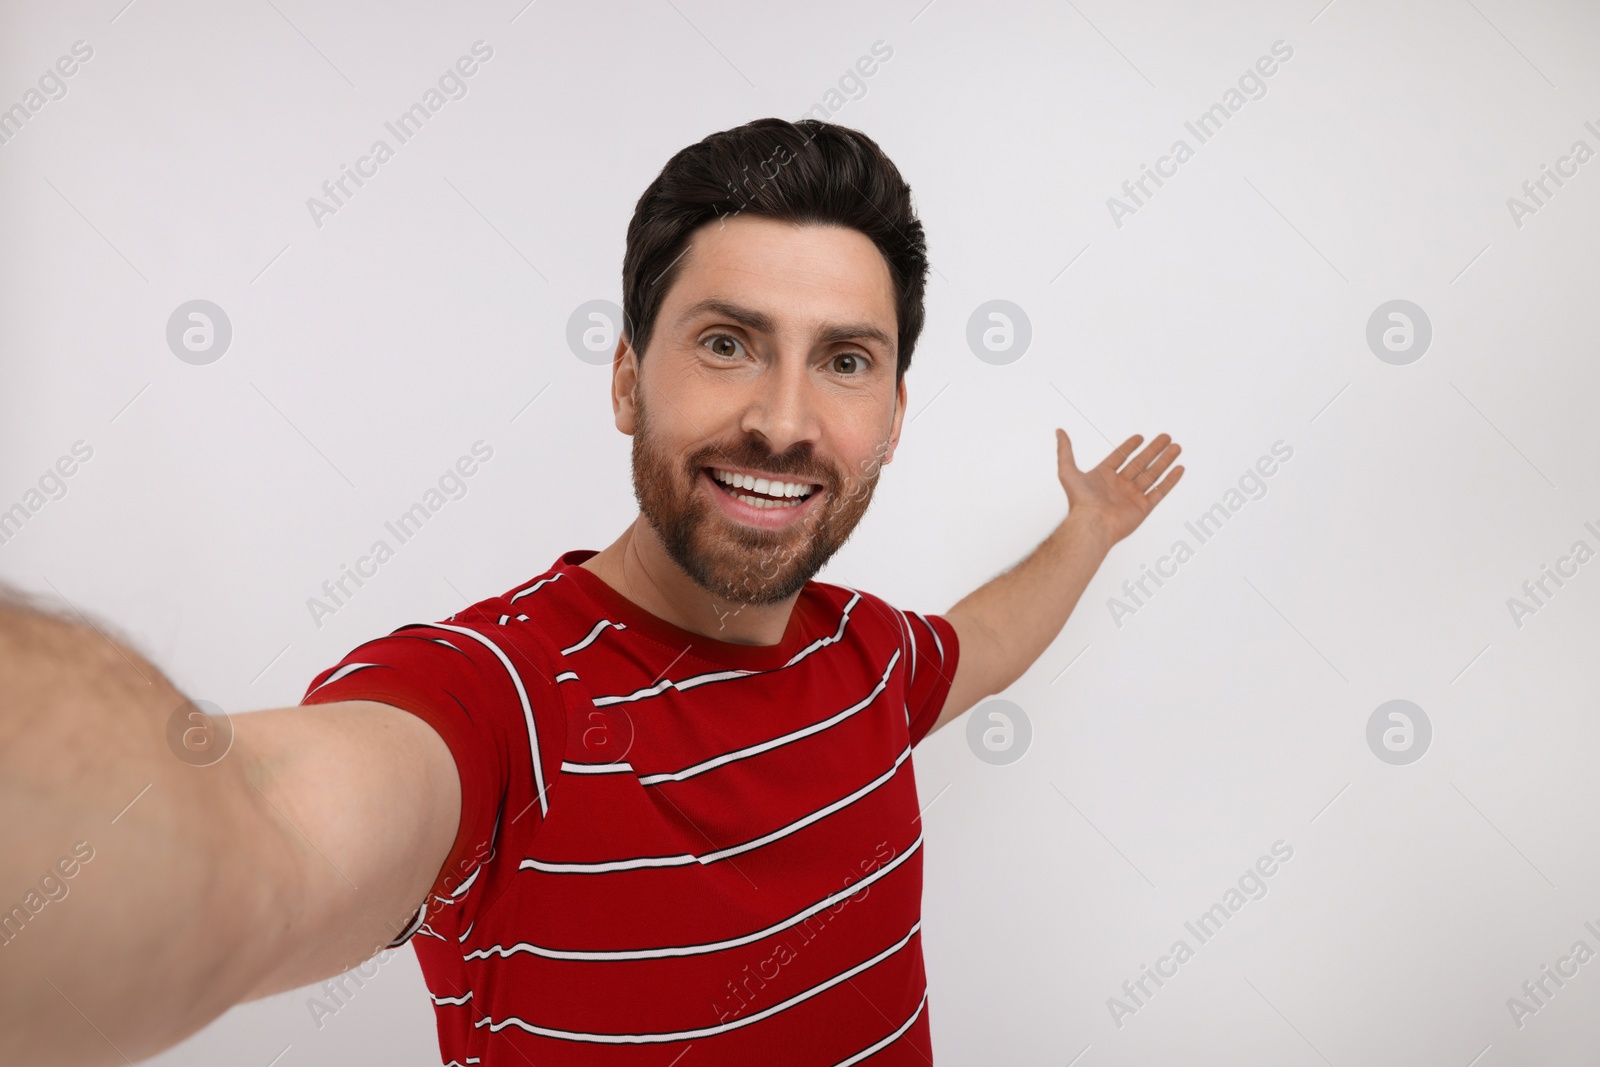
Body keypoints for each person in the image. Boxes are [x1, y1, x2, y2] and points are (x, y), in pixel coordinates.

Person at [0, 117, 1182, 1066]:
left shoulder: (867, 654)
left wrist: (1089, 530)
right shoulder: (496, 699)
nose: (781, 419)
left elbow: (983, 640)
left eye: (844, 360)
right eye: (727, 341)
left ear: (890, 422)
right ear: (628, 381)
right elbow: (257, 827)